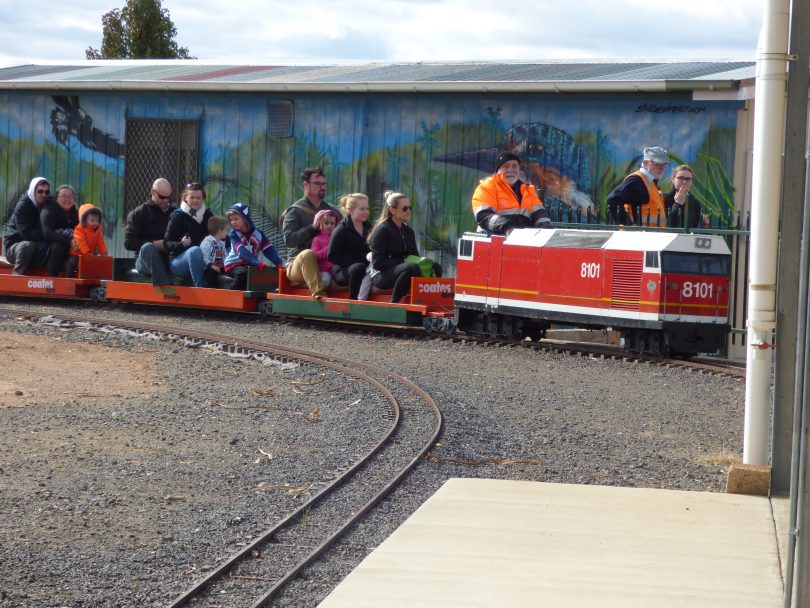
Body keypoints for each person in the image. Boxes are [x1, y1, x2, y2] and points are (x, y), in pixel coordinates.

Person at [368, 191, 442, 304]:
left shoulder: (408, 231)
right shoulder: (382, 230)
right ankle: (393, 303)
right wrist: (403, 262)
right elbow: (378, 263)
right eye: (404, 208)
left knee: (435, 267)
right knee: (411, 267)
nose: (408, 211)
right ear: (392, 210)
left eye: (410, 208)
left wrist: (430, 264)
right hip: (380, 276)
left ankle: (433, 301)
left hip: (402, 270)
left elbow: (414, 257)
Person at [281, 167, 340, 299]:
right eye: (318, 183)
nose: (322, 187)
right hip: (299, 264)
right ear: (306, 184)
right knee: (308, 254)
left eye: (323, 183)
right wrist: (313, 227)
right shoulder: (295, 211)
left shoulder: (332, 211)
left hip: (326, 264)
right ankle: (320, 296)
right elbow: (290, 240)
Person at [471, 152, 551, 235]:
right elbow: (483, 215)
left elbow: (539, 212)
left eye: (514, 166)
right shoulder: (487, 186)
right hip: (492, 239)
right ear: (498, 170)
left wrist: (545, 228)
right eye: (506, 166)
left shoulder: (527, 190)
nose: (510, 170)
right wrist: (507, 227)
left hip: (521, 239)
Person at [124, 178, 175, 285]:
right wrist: (154, 244)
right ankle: (165, 288)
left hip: (168, 258)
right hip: (145, 260)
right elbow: (128, 243)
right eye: (162, 197)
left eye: (168, 197)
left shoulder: (175, 213)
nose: (166, 200)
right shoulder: (138, 213)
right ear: (153, 192)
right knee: (148, 247)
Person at [223, 203, 284, 291]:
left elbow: (268, 249)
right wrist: (256, 262)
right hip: (234, 265)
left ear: (245, 218)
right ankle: (230, 295)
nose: (233, 222)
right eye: (231, 220)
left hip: (250, 265)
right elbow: (241, 251)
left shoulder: (258, 234)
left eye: (236, 219)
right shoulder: (234, 234)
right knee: (242, 273)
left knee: (261, 276)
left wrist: (278, 263)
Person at [164, 182, 212, 287]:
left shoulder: (208, 215)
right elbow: (167, 243)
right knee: (195, 250)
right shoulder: (177, 215)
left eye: (198, 198)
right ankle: (200, 289)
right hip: (178, 262)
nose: (195, 200)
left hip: (204, 259)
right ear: (186, 198)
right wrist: (181, 244)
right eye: (192, 197)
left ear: (203, 198)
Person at [606, 146, 669, 226]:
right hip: (641, 237)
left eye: (664, 164)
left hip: (651, 236)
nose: (662, 168)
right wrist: (629, 226)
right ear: (646, 163)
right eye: (657, 163)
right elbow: (612, 200)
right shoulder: (636, 180)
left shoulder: (649, 182)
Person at [3, 177, 51, 275]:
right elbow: (27, 235)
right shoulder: (23, 206)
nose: (43, 195)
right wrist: (49, 233)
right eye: (40, 191)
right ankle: (16, 277)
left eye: (46, 192)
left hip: (36, 243)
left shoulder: (48, 204)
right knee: (28, 246)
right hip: (14, 246)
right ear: (33, 191)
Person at [328, 193, 372, 299]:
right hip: (343, 271)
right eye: (362, 209)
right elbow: (332, 255)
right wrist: (356, 261)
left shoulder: (369, 228)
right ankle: (352, 303)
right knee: (358, 267)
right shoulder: (341, 230)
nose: (366, 212)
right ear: (350, 210)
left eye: (367, 208)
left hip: (366, 267)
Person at [40, 184, 79, 276]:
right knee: (57, 247)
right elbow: (47, 233)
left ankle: (70, 280)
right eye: (64, 196)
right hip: (46, 246)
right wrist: (69, 241)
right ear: (57, 198)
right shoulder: (49, 210)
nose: (67, 199)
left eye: (70, 196)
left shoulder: (76, 212)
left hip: (70, 245)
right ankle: (53, 280)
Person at [67, 202, 108, 276]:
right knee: (72, 263)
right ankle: (69, 278)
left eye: (97, 221)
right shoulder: (79, 229)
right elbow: (81, 243)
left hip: (89, 255)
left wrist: (104, 253)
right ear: (84, 220)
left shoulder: (97, 231)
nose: (95, 223)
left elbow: (101, 243)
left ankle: (93, 279)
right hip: (77, 254)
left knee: (95, 265)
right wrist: (88, 253)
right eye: (92, 221)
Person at [665, 164, 703, 229]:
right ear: (673, 179)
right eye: (681, 178)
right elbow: (669, 225)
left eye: (688, 179)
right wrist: (677, 204)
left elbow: (694, 227)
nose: (684, 182)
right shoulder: (664, 198)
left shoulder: (695, 203)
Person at [311, 209, 339, 289]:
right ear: (321, 225)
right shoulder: (317, 239)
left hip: (336, 271)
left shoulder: (339, 239)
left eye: (332, 224)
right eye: (326, 223)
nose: (329, 226)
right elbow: (314, 256)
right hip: (323, 271)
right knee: (325, 280)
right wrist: (329, 248)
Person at [200, 215, 229, 288]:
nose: (227, 232)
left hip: (220, 266)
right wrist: (212, 265)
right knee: (211, 272)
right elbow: (204, 256)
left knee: (231, 271)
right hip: (210, 267)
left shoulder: (221, 243)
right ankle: (211, 290)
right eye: (226, 230)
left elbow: (225, 257)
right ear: (219, 231)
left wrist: (228, 265)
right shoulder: (207, 242)